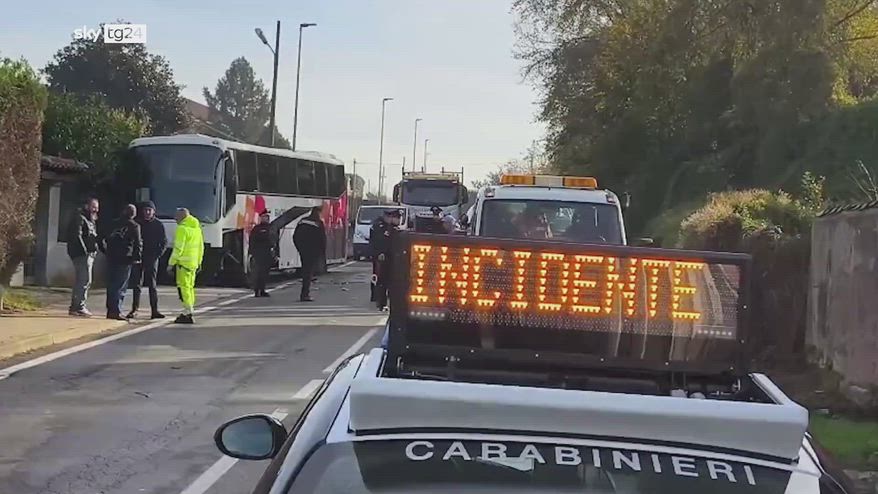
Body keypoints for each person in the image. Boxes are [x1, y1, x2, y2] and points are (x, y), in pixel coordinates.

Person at [127, 201, 167, 319]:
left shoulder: (158, 224)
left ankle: (155, 310)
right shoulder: (137, 223)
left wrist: (157, 255)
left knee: (152, 285)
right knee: (137, 284)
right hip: (139, 257)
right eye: (146, 210)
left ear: (154, 211)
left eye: (150, 210)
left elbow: (163, 242)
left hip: (152, 257)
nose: (148, 212)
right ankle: (135, 309)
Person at [104, 204, 142, 321]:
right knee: (120, 285)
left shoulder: (113, 223)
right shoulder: (134, 226)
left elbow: (102, 237)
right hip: (125, 258)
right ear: (133, 214)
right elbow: (137, 243)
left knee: (111, 284)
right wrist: (137, 257)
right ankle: (116, 311)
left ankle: (110, 310)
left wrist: (105, 250)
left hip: (111, 257)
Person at [167, 208, 204, 324]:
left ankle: (188, 312)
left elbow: (178, 249)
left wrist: (170, 264)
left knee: (184, 288)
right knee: (190, 288)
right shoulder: (197, 229)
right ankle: (189, 309)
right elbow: (201, 248)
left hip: (183, 264)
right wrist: (199, 262)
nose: (175, 219)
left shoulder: (182, 229)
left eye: (176, 217)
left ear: (182, 217)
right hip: (193, 264)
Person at [66, 197, 101, 317]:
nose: (95, 210)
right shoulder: (80, 218)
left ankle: (75, 306)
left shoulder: (90, 220)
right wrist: (85, 251)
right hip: (81, 254)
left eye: (97, 207)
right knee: (84, 280)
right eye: (93, 207)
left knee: (84, 280)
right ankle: (79, 306)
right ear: (87, 206)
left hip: (88, 254)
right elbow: (77, 236)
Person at [370, 208, 401, 311]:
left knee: (388, 281)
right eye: (396, 218)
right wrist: (380, 253)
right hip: (382, 258)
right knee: (381, 280)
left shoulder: (392, 228)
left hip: (390, 258)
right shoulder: (380, 226)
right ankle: (380, 301)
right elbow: (380, 242)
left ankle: (383, 301)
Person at [293, 206, 326, 302]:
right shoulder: (318, 223)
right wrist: (321, 253)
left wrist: (299, 248)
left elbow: (295, 236)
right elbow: (322, 240)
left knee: (305, 271)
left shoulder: (302, 221)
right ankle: (305, 294)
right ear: (318, 213)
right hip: (313, 252)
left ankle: (304, 293)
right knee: (308, 273)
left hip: (303, 250)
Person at [249, 209, 277, 297]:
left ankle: (262, 289)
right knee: (258, 272)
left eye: (267, 217)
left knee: (265, 273)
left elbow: (275, 241)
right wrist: (252, 252)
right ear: (261, 218)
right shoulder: (257, 229)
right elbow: (252, 241)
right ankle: (256, 290)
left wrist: (276, 254)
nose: (266, 219)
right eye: (264, 217)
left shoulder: (271, 228)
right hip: (258, 253)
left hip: (268, 253)